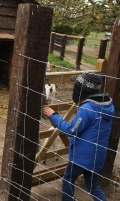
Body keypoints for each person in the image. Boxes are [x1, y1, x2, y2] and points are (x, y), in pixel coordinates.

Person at [42, 72, 114, 201]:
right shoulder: (106, 105)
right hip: (98, 157)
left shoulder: (87, 109)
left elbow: (71, 130)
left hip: (81, 158)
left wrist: (53, 115)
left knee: (68, 180)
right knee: (92, 186)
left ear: (81, 89)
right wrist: (81, 110)